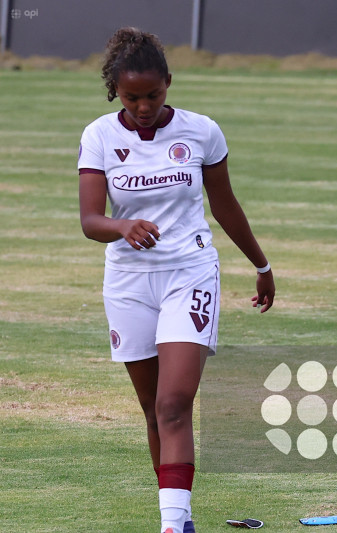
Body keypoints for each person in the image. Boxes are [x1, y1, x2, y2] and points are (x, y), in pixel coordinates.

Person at [78, 27, 275, 533]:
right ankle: (179, 517)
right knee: (152, 410)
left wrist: (261, 266)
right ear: (115, 91)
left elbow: (225, 205)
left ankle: (171, 526)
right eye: (132, 98)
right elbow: (90, 221)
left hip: (190, 274)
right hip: (128, 283)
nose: (144, 106)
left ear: (169, 82)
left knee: (173, 403)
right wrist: (121, 226)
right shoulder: (99, 136)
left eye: (153, 94)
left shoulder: (202, 131)